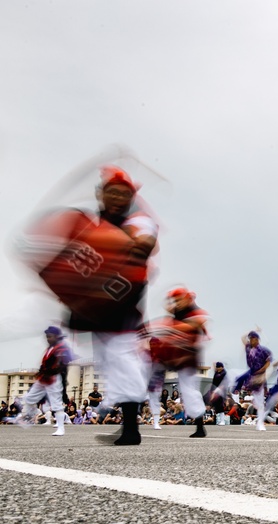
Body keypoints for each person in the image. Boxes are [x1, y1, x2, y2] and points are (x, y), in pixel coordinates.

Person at [19, 167, 159, 446]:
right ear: (100, 194)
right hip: (98, 304)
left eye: (124, 193)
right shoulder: (86, 224)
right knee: (108, 361)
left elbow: (143, 244)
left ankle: (132, 429)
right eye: (112, 192)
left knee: (121, 358)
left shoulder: (139, 220)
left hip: (123, 301)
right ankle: (128, 426)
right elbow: (68, 263)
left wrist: (106, 245)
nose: (118, 198)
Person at [142, 286, 210, 437]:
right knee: (151, 379)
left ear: (186, 299)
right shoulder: (177, 313)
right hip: (174, 355)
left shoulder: (194, 311)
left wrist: (170, 329)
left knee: (189, 391)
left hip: (187, 357)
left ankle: (200, 427)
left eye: (179, 300)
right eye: (175, 300)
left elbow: (198, 322)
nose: (176, 303)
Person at [16, 327, 75, 436]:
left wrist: (58, 369)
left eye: (50, 336)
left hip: (53, 378)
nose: (47, 339)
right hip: (43, 377)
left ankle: (61, 428)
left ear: (56, 337)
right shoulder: (50, 348)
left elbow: (65, 362)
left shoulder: (61, 347)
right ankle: (29, 417)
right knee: (29, 397)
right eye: (47, 337)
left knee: (56, 404)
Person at [237, 331, 272, 431]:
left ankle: (260, 423)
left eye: (253, 338)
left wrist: (262, 372)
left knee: (260, 401)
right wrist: (252, 330)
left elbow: (268, 362)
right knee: (238, 381)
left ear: (257, 339)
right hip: (250, 374)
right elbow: (242, 338)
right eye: (250, 338)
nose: (251, 340)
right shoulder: (248, 348)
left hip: (259, 375)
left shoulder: (264, 350)